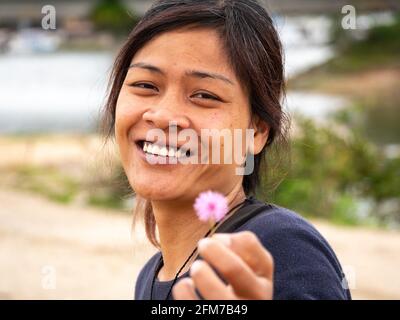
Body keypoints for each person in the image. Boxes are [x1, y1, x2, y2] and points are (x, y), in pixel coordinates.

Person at [102, 0, 352, 300]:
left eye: (204, 95)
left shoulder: (277, 248)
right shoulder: (152, 275)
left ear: (257, 131)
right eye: (145, 86)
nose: (164, 116)